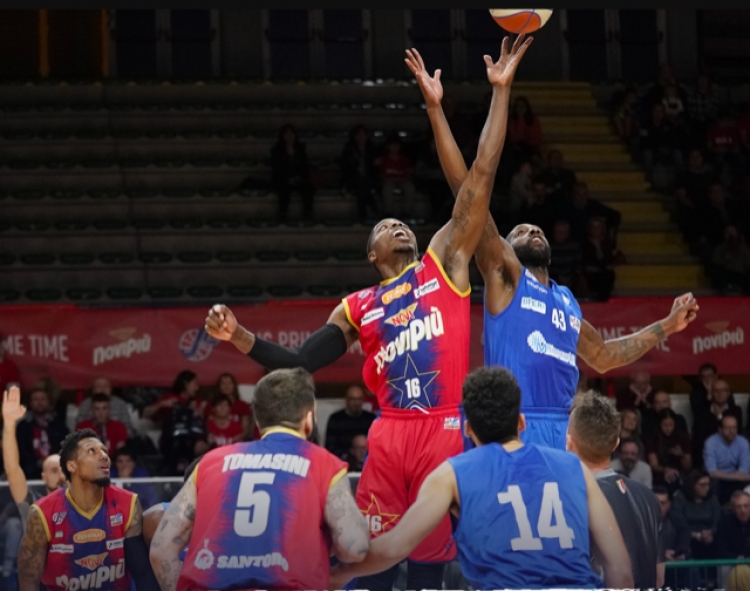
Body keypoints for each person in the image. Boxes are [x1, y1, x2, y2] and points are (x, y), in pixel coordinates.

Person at [203, 36, 533, 591]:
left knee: (431, 564)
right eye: (384, 230)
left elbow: (479, 177)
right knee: (369, 558)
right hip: (389, 433)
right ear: (372, 255)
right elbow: (301, 363)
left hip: (441, 427)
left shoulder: (443, 265)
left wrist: (488, 96)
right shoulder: (358, 306)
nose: (398, 227)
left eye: (401, 224)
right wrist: (240, 337)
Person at [404, 39, 700, 450]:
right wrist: (445, 108)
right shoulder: (505, 274)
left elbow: (604, 356)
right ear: (507, 246)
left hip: (562, 432)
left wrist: (666, 326)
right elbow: (467, 191)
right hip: (513, 427)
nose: (534, 232)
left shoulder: (566, 301)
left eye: (536, 229)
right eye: (522, 231)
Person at [330, 367, 633, 590]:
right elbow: (621, 572)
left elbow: (394, 548)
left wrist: (337, 574)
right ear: (521, 421)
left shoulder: (452, 474)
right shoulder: (573, 468)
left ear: (468, 429)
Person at [148, 368, 370, 591]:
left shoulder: (210, 462)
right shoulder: (324, 464)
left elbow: (161, 550)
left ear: (257, 420)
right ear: (309, 418)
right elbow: (354, 547)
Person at [16, 429, 158, 591]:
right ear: (71, 465)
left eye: (105, 451)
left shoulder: (128, 503)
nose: (104, 456)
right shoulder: (42, 513)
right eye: (92, 451)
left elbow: (142, 574)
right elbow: (28, 581)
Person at [566, 389, 664, 589]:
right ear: (616, 443)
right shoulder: (648, 496)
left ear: (569, 443)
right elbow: (659, 578)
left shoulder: (572, 498)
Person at [2, 387, 66, 591]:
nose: (62, 476)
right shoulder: (33, 506)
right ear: (43, 477)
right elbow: (12, 469)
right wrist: (10, 424)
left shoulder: (87, 501)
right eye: (55, 471)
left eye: (65, 470)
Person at [704, 414, 750, 504]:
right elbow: (712, 472)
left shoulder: (743, 442)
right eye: (727, 428)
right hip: (718, 480)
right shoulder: (710, 442)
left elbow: (744, 471)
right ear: (720, 430)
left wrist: (737, 475)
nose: (731, 431)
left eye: (734, 428)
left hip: (734, 478)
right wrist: (735, 475)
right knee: (713, 482)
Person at [324, 384, 377, 459]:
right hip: (342, 462)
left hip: (367, 462)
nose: (356, 403)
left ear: (363, 400)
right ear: (346, 400)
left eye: (359, 399)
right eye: (352, 399)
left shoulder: (371, 419)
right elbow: (329, 448)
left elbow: (377, 446)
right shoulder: (336, 419)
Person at [716, 490, 750, 559]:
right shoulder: (724, 524)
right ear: (733, 508)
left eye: (746, 506)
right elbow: (722, 551)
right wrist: (738, 558)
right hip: (731, 564)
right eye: (738, 507)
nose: (743, 510)